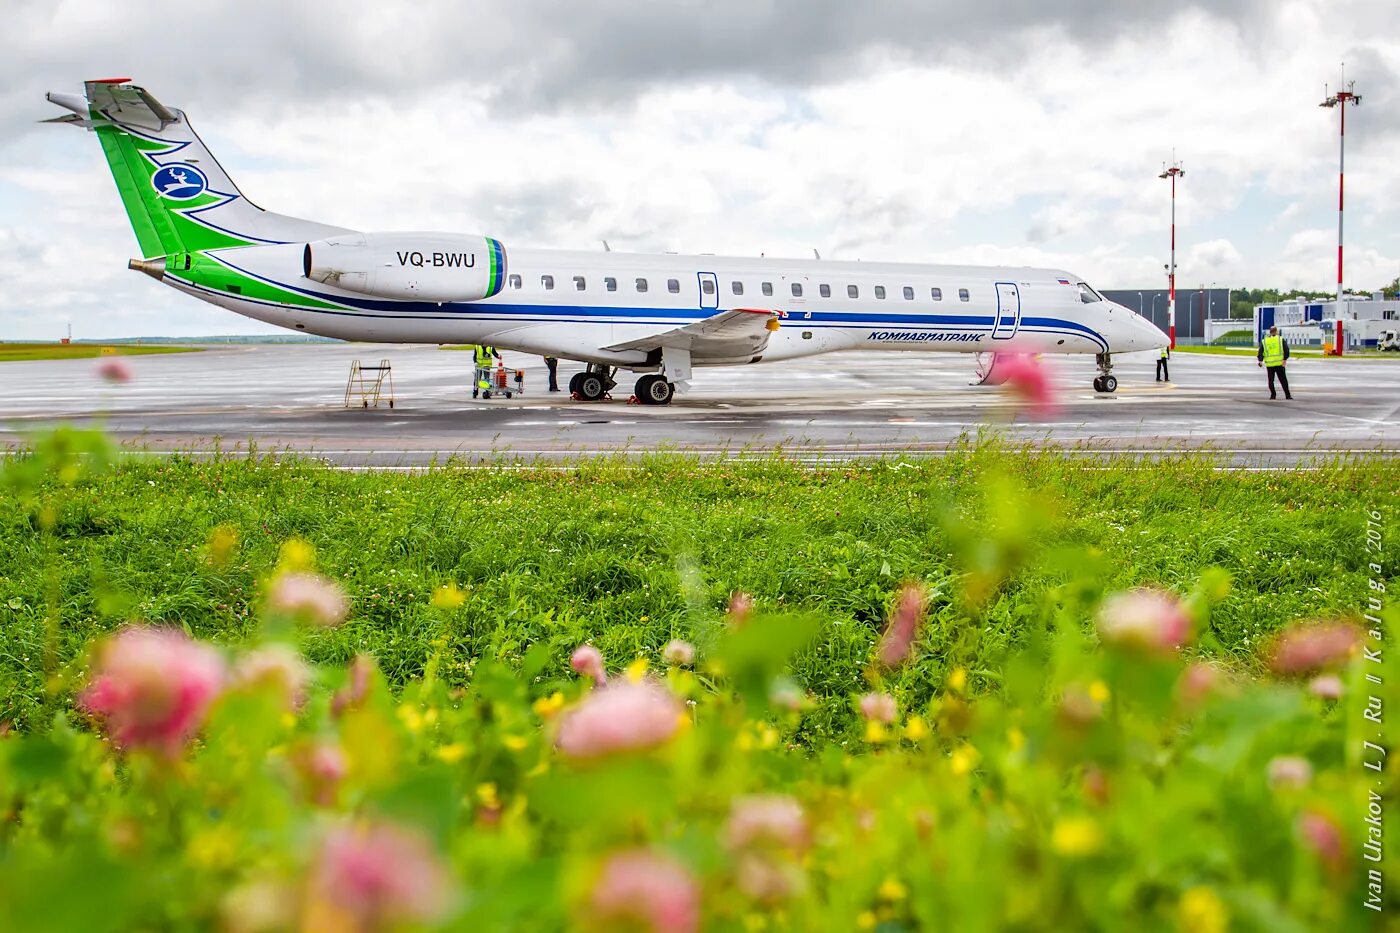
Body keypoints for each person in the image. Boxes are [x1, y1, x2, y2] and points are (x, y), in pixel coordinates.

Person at [1257, 326, 1292, 400]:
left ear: (1270, 332)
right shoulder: (1280, 339)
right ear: (1276, 331)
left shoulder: (1265, 341)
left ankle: (1273, 395)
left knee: (1271, 381)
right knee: (1283, 380)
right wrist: (1285, 359)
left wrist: (1260, 361)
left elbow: (1261, 351)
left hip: (1269, 364)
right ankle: (1287, 395)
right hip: (1279, 363)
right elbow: (1286, 349)